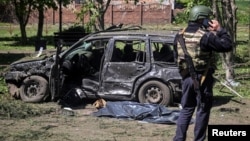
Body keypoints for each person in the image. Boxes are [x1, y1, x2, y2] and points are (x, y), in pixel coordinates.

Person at [173, 5, 232, 141]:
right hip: (203, 78)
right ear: (202, 19)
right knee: (202, 110)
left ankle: (179, 139)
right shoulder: (205, 36)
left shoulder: (179, 34)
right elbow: (226, 45)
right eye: (207, 19)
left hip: (186, 78)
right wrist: (220, 30)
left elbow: (175, 57)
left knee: (186, 109)